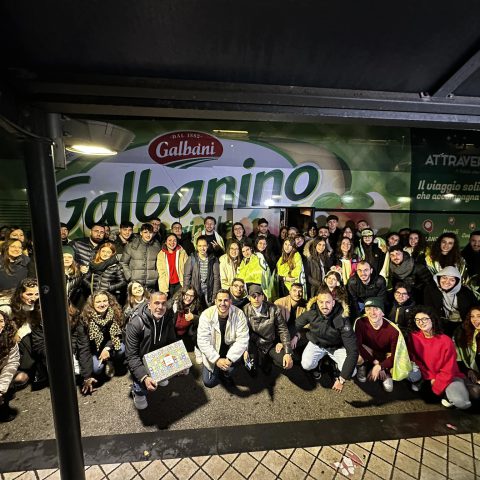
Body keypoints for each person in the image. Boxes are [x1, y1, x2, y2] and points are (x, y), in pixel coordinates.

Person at [408, 305, 472, 409]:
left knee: (462, 403)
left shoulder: (446, 340)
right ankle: (442, 392)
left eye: (424, 319)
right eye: (417, 320)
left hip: (449, 376)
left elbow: (449, 369)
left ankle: (452, 392)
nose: (421, 322)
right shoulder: (414, 337)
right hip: (427, 375)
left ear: (432, 319)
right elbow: (414, 358)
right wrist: (430, 376)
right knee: (411, 374)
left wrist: (437, 386)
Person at [296, 287, 358, 392]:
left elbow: (353, 351)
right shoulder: (312, 312)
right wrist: (295, 336)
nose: (324, 306)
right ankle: (317, 365)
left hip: (336, 347)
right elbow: (296, 324)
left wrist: (342, 379)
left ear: (333, 303)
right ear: (317, 302)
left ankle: (336, 366)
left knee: (352, 372)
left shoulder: (342, 318)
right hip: (317, 344)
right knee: (306, 364)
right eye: (321, 302)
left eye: (328, 302)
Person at [125, 292, 178, 409]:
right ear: (149, 305)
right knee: (142, 387)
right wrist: (144, 377)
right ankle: (138, 392)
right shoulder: (136, 324)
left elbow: (171, 341)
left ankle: (160, 374)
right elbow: (131, 356)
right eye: (156, 303)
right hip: (141, 358)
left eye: (163, 304)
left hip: (157, 356)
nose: (160, 307)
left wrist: (180, 364)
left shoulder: (168, 316)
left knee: (171, 370)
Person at [32, 302, 96, 395]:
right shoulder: (39, 322)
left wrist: (87, 376)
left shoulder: (76, 318)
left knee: (91, 369)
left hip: (72, 350)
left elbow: (83, 346)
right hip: (54, 354)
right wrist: (55, 354)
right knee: (63, 380)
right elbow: (39, 345)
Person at [354, 297, 411, 392]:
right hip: (370, 351)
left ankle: (387, 373)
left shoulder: (393, 331)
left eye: (376, 309)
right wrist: (376, 363)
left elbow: (396, 356)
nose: (372, 313)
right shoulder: (360, 322)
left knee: (389, 388)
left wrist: (381, 366)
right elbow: (358, 345)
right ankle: (363, 365)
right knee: (356, 356)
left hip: (386, 355)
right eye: (368, 309)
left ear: (383, 313)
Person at [197, 289, 249, 388]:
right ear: (215, 301)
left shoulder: (239, 314)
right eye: (220, 300)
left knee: (230, 369)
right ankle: (218, 369)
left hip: (230, 350)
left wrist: (230, 359)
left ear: (230, 301)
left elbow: (242, 339)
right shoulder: (206, 315)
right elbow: (202, 341)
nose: (222, 303)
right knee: (209, 382)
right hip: (214, 351)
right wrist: (216, 360)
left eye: (226, 300)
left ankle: (226, 373)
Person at [242, 285, 292, 375]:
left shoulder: (273, 308)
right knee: (250, 366)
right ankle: (255, 366)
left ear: (263, 297)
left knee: (285, 363)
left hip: (270, 343)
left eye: (259, 295)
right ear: (249, 298)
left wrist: (287, 352)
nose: (256, 299)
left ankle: (269, 360)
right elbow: (243, 332)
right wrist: (245, 349)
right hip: (254, 343)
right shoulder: (245, 310)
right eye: (253, 296)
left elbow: (283, 329)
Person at [81, 291, 125, 379]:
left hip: (109, 344)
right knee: (97, 369)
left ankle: (111, 361)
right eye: (98, 302)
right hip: (94, 349)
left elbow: (119, 336)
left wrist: (107, 348)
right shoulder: (85, 319)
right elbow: (84, 347)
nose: (102, 304)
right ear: (92, 304)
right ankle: (104, 363)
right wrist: (87, 377)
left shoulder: (115, 313)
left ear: (109, 302)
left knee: (121, 349)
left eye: (105, 301)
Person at [423, 266, 476, 337]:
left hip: (462, 323)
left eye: (452, 280)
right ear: (439, 278)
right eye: (444, 278)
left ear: (456, 282)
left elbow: (474, 309)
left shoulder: (466, 293)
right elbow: (429, 308)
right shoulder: (430, 289)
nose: (447, 282)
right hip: (442, 322)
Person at [9, 278, 42, 388]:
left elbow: (31, 323)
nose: (33, 298)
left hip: (26, 337)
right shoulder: (9, 307)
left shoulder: (37, 305)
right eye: (29, 294)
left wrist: (20, 333)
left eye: (36, 294)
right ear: (20, 294)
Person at [121, 223, 161, 291]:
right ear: (141, 233)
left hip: (151, 284)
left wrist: (156, 275)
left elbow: (159, 264)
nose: (148, 235)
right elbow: (123, 263)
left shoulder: (157, 247)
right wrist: (130, 277)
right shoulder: (131, 246)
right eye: (145, 232)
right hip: (134, 284)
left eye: (150, 232)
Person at [183, 235, 221, 309]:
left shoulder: (213, 258)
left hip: (209, 290)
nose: (202, 248)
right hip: (195, 290)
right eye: (200, 246)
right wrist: (186, 292)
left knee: (210, 310)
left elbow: (216, 278)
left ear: (208, 246)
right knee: (195, 310)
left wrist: (215, 295)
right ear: (197, 246)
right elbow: (187, 276)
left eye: (204, 246)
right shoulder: (192, 258)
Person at [168, 287, 202, 364]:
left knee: (199, 330)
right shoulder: (174, 302)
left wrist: (194, 317)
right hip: (175, 333)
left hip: (188, 333)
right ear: (182, 294)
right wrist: (173, 309)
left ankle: (197, 349)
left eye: (192, 296)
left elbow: (204, 320)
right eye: (187, 294)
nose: (189, 298)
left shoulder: (196, 305)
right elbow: (165, 307)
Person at [454, 306, 480, 401]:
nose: (475, 319)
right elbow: (459, 360)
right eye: (472, 316)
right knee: (475, 392)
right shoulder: (464, 334)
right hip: (472, 373)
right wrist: (468, 371)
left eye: (479, 316)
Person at [274, 283, 307, 351]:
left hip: (296, 335)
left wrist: (297, 336)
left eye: (300, 291)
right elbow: (275, 326)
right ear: (289, 292)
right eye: (294, 290)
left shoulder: (305, 305)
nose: (297, 294)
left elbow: (307, 326)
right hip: (280, 336)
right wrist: (284, 342)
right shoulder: (279, 303)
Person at [0, 310, 20, 421]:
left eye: (1, 321)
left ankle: (3, 406)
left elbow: (12, 362)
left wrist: (1, 389)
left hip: (1, 372)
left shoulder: (9, 337)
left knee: (11, 385)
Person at [156, 233, 188, 298]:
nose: (172, 242)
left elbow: (187, 269)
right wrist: (163, 290)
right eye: (169, 240)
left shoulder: (182, 252)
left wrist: (186, 285)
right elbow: (161, 273)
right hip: (168, 285)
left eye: (174, 240)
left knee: (179, 302)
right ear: (165, 242)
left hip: (180, 284)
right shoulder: (161, 255)